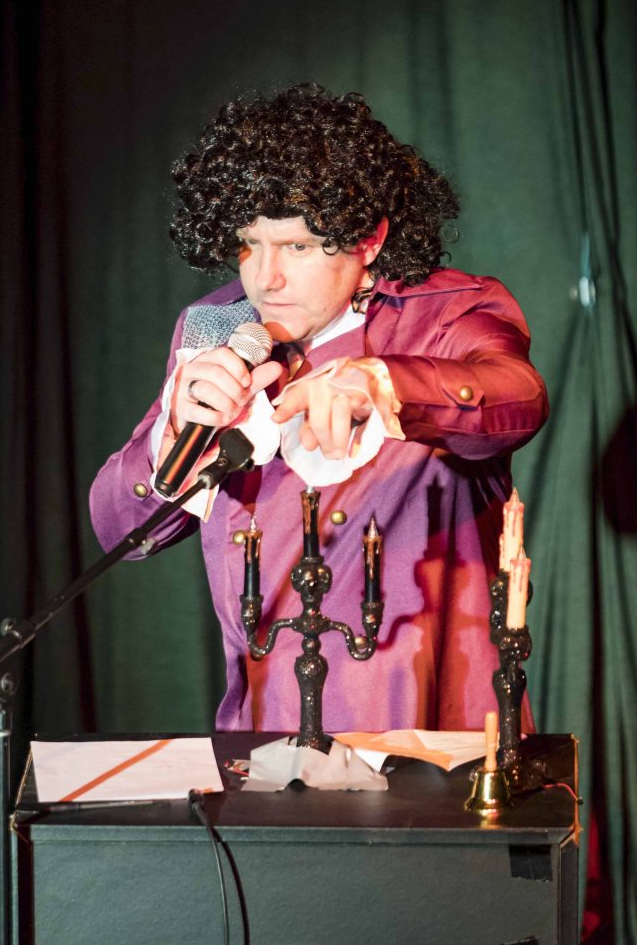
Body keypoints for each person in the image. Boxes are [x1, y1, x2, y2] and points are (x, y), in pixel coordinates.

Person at [90, 83, 548, 734]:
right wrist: (171, 441)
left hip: (430, 732)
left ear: (368, 240)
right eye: (248, 243)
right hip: (268, 729)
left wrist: (385, 384)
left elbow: (517, 397)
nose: (264, 277)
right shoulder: (214, 327)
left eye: (297, 247)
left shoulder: (445, 313)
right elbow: (121, 534)